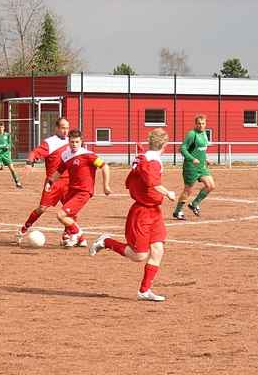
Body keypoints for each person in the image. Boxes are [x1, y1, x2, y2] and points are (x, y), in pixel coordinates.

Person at [89, 128, 176, 301]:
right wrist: (168, 193)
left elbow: (131, 180)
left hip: (154, 211)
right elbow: (152, 183)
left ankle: (144, 291)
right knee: (139, 255)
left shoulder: (145, 157)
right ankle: (106, 242)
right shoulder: (151, 160)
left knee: (158, 250)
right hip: (142, 212)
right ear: (165, 145)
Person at [17, 117, 80, 244]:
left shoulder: (72, 142)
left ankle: (67, 235)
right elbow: (35, 152)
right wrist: (30, 162)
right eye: (62, 128)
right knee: (42, 208)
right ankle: (23, 229)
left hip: (69, 182)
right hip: (53, 182)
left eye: (67, 128)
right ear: (56, 128)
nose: (65, 131)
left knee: (71, 210)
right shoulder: (50, 143)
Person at [45, 129, 111, 247]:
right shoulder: (66, 155)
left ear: (81, 142)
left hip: (84, 191)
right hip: (72, 190)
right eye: (72, 142)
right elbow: (59, 171)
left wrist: (105, 185)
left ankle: (77, 233)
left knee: (61, 215)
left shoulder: (88, 155)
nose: (74, 144)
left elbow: (105, 166)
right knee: (70, 217)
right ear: (68, 142)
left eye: (77, 142)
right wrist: (50, 182)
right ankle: (81, 240)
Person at [173, 114, 215, 220]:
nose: (201, 125)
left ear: (206, 124)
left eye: (203, 123)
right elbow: (182, 148)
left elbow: (201, 150)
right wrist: (192, 159)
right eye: (199, 123)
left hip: (202, 167)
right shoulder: (192, 134)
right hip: (190, 167)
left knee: (210, 185)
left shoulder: (205, 134)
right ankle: (177, 211)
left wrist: (206, 159)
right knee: (188, 190)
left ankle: (194, 204)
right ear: (195, 124)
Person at [0, 122, 22, 188]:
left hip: (6, 155)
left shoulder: (7, 135)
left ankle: (18, 182)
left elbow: (10, 144)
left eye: (2, 127)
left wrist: (8, 146)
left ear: (4, 128)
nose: (1, 129)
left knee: (12, 169)